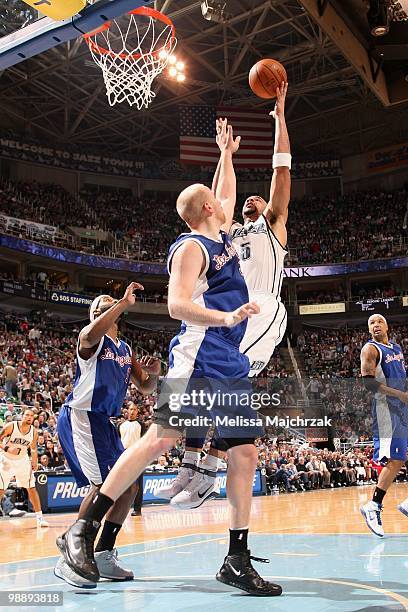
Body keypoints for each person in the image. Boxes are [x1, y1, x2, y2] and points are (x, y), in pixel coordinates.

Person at [57, 124, 283, 597]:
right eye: (216, 202)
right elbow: (177, 305)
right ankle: (81, 529)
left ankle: (236, 558)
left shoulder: (218, 236)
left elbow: (224, 188)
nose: (226, 203)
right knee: (162, 439)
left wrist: (226, 153)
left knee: (245, 453)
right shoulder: (190, 247)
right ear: (206, 210)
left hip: (230, 364)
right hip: (200, 356)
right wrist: (225, 317)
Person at [163, 82, 291, 510]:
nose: (249, 201)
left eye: (256, 200)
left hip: (264, 311)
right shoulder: (227, 236)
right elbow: (218, 201)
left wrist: (280, 119)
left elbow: (280, 175)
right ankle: (194, 463)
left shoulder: (271, 226)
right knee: (207, 379)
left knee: (220, 377)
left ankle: (207, 470)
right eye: (245, 201)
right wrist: (225, 154)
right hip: (235, 315)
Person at [54, 285, 161, 588]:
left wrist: (153, 373)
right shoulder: (91, 340)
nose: (109, 306)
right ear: (96, 315)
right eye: (104, 305)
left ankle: (103, 552)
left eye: (111, 304)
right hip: (83, 416)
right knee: (105, 484)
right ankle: (73, 544)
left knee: (127, 485)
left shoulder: (124, 349)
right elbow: (89, 334)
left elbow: (145, 387)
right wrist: (123, 303)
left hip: (106, 423)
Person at [360, 314, 408, 537]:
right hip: (386, 410)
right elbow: (369, 384)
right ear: (369, 329)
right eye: (371, 323)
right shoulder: (370, 349)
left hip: (402, 407)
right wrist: (400, 394)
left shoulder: (396, 348)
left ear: (387, 326)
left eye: (379, 321)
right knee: (395, 460)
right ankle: (373, 505)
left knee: (398, 460)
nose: (376, 325)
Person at [0, 408, 48, 526]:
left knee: (31, 488)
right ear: (22, 416)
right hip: (6, 460)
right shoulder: (11, 426)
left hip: (22, 460)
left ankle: (39, 518)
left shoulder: (34, 432)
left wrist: (35, 462)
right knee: (1, 490)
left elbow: (33, 448)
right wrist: (8, 448)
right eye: (27, 415)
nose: (29, 417)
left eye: (32, 416)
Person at [119, 402, 145, 516]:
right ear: (127, 411)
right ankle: (120, 508)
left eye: (134, 409)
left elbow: (145, 442)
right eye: (130, 409)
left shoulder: (141, 425)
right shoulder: (120, 425)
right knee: (121, 483)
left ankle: (137, 509)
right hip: (123, 455)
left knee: (137, 484)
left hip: (137, 455)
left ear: (137, 412)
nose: (132, 411)